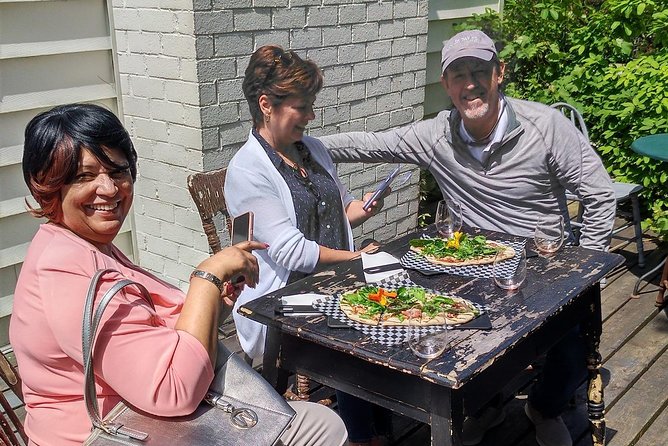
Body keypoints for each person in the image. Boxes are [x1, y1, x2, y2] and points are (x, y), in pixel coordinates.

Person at [321, 30, 617, 446]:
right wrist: (298, 141)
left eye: (479, 70)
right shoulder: (435, 135)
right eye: (458, 74)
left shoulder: (545, 127)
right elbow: (369, 145)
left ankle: (543, 407)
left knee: (571, 343)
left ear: (499, 74)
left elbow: (599, 194)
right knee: (439, 330)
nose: (470, 83)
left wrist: (586, 266)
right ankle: (484, 406)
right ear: (446, 85)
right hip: (468, 266)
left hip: (543, 266)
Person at [10, 103, 348, 446]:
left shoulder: (80, 244)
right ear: (48, 186)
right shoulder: (68, 274)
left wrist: (214, 300)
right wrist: (208, 276)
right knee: (321, 428)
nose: (110, 189)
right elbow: (173, 389)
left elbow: (147, 333)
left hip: (145, 416)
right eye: (84, 176)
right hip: (113, 432)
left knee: (315, 420)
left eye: (117, 171)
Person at [224, 45, 391, 446]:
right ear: (267, 104)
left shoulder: (312, 150)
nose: (312, 116)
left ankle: (379, 431)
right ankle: (363, 437)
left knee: (391, 321)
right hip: (285, 301)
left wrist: (362, 209)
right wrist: (355, 258)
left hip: (335, 282)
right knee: (355, 338)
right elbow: (293, 252)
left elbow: (338, 210)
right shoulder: (247, 171)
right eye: (303, 106)